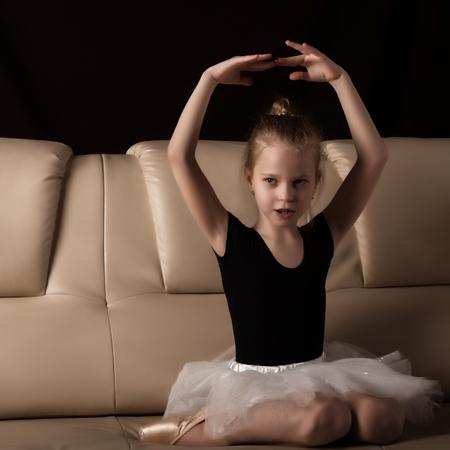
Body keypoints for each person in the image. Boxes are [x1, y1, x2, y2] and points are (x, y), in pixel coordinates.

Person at [140, 41, 443, 447]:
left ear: (316, 183)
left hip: (317, 371)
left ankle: (318, 420)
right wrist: (209, 79)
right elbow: (179, 155)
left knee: (384, 420)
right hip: (255, 383)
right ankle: (206, 425)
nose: (286, 196)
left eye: (300, 182)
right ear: (250, 180)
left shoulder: (323, 236)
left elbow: (374, 157)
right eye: (271, 181)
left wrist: (341, 81)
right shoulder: (228, 237)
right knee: (327, 417)